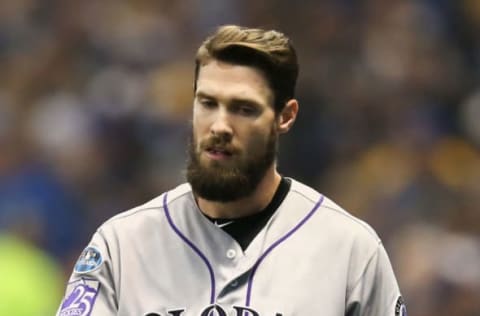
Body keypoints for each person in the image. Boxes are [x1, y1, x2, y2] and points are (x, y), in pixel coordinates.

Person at [57, 25, 406, 316]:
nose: (220, 125)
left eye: (243, 109)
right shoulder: (121, 245)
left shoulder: (349, 250)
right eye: (207, 103)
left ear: (285, 116)